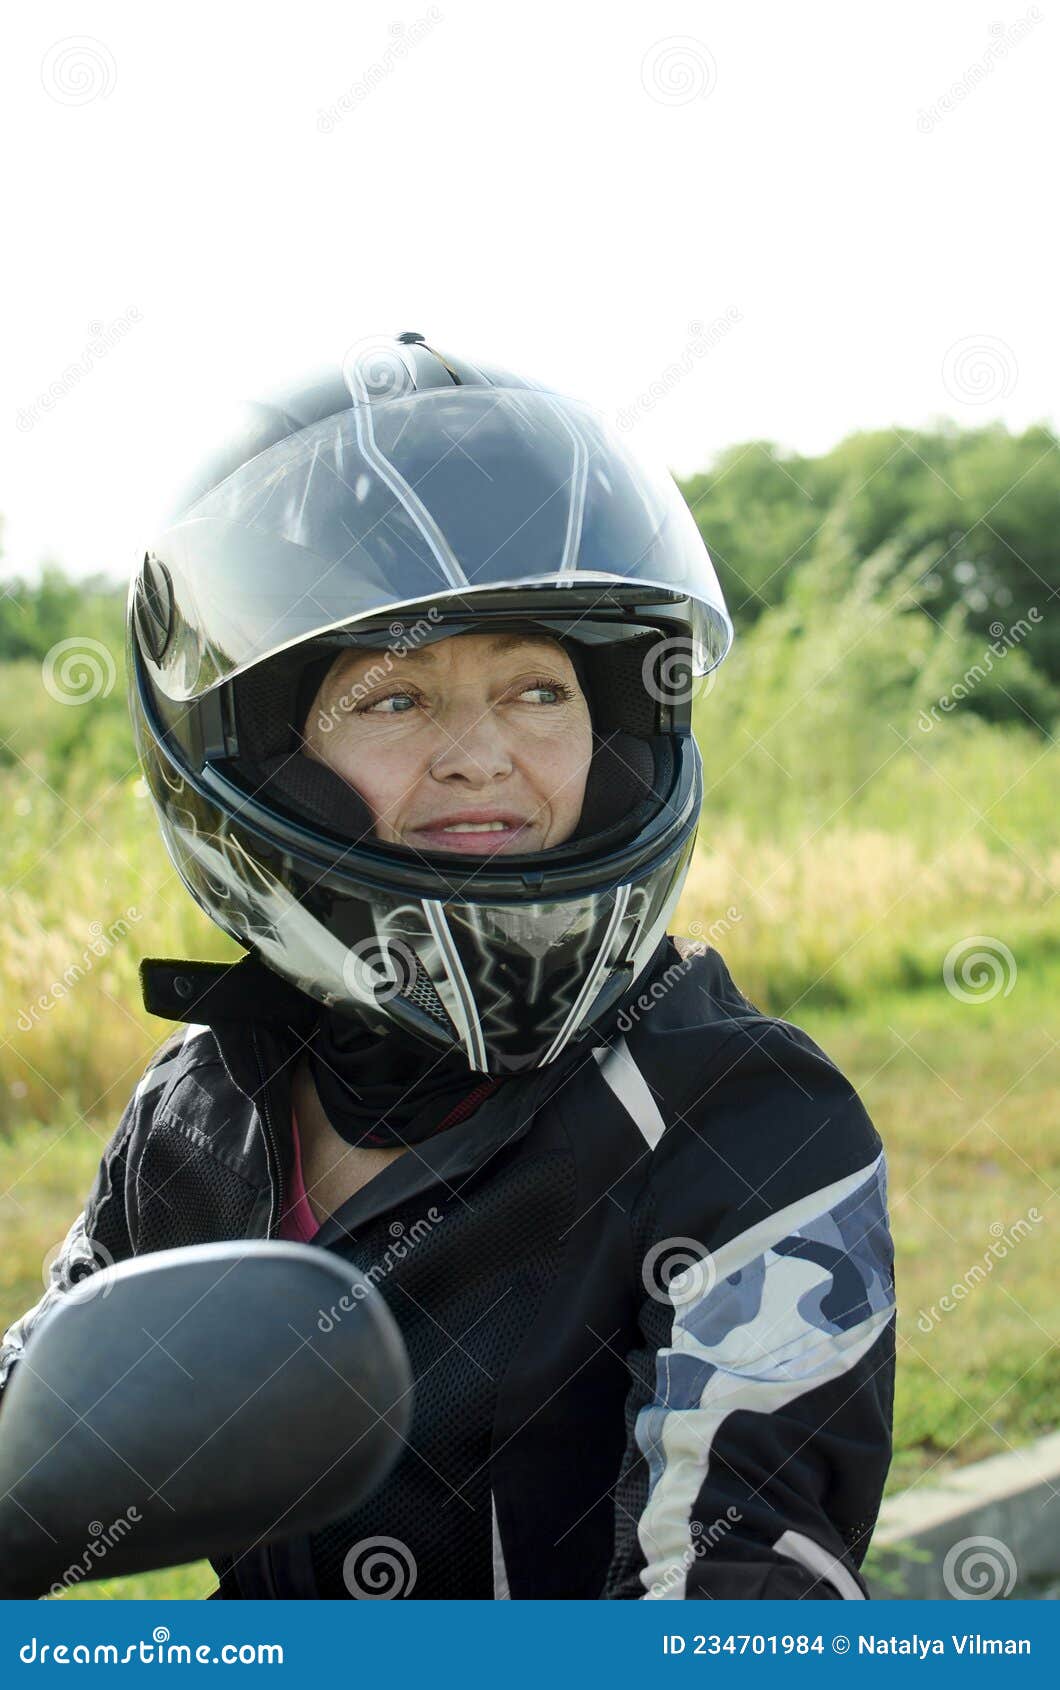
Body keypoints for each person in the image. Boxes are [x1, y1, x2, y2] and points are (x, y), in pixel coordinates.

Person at [0, 333, 895, 1600]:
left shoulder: (736, 1113)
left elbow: (747, 1603)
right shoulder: (197, 1112)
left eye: (536, 689)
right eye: (393, 698)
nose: (482, 755)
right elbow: (33, 1423)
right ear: (258, 761)